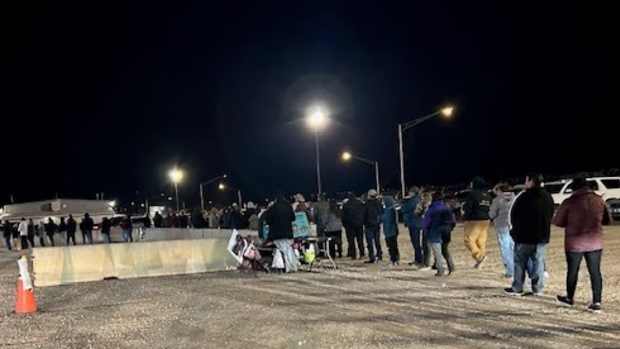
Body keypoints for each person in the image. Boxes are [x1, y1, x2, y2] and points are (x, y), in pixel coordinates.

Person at [554, 175, 611, 312]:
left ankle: (570, 298)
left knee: (573, 271)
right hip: (594, 241)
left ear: (574, 188)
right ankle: (597, 301)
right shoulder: (598, 200)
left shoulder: (569, 201)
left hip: (574, 242)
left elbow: (558, 222)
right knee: (595, 272)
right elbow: (607, 220)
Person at [504, 173, 555, 296]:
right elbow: (550, 214)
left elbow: (514, 215)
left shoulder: (524, 197)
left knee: (520, 262)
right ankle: (538, 288)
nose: (525, 183)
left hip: (524, 236)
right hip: (541, 236)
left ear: (531, 181)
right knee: (538, 261)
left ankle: (517, 287)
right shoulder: (548, 196)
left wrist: (513, 232)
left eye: (526, 180)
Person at [423, 191, 457, 276]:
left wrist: (426, 231)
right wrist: (449, 229)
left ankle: (440, 270)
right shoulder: (447, 208)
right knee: (445, 250)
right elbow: (453, 221)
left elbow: (426, 222)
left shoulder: (431, 209)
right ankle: (451, 267)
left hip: (435, 232)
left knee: (437, 252)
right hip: (446, 232)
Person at [463, 177, 492, 268]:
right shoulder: (487, 195)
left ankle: (479, 256)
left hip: (474, 220)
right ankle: (480, 258)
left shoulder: (472, 194)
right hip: (485, 220)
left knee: (469, 239)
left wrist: (465, 215)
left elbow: (468, 207)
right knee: (481, 241)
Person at [263, 195, 297, 273]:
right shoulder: (288, 207)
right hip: (288, 234)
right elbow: (293, 218)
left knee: (279, 249)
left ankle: (280, 266)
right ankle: (290, 266)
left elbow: (267, 221)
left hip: (276, 235)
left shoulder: (272, 208)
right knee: (288, 249)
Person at [489, 183, 516, 278]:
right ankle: (518, 269)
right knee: (514, 248)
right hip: (514, 225)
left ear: (500, 190)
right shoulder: (515, 198)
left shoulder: (497, 200)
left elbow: (491, 214)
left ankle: (510, 271)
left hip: (501, 225)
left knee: (505, 248)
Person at [402, 186, 424, 266]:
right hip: (414, 223)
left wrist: (405, 201)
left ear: (414, 192)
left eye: (410, 192)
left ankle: (419, 259)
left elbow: (404, 209)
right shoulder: (415, 199)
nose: (409, 193)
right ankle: (418, 259)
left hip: (415, 223)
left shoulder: (414, 200)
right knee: (415, 242)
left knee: (416, 242)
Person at [343, 193, 366, 260]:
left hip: (350, 225)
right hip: (359, 224)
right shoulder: (360, 203)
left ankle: (353, 255)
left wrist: (345, 225)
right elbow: (364, 213)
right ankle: (362, 253)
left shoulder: (346, 205)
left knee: (351, 241)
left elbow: (343, 217)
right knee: (360, 240)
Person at [364, 189, 384, 263]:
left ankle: (372, 257)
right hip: (376, 225)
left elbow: (364, 214)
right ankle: (379, 255)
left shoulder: (366, 204)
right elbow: (382, 213)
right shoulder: (379, 203)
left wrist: (364, 222)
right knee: (377, 241)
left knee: (370, 242)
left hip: (369, 226)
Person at [417, 190, 433, 270]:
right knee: (426, 245)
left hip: (429, 228)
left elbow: (424, 216)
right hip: (426, 227)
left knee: (427, 245)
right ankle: (428, 263)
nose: (421, 199)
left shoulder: (428, 206)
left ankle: (427, 264)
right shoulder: (425, 205)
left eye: (423, 197)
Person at [382, 193, 400, 266]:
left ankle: (393, 260)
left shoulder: (388, 210)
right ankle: (396, 258)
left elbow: (384, 219)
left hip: (389, 231)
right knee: (394, 246)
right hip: (393, 231)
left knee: (391, 246)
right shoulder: (392, 210)